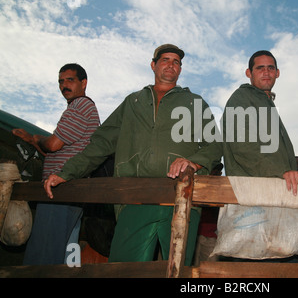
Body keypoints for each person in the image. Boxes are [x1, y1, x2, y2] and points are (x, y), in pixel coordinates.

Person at [44, 44, 222, 266]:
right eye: (165, 60)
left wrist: (194, 162)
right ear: (153, 65)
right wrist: (67, 172)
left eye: (176, 62)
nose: (171, 65)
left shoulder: (194, 103)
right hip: (135, 198)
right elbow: (100, 142)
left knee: (177, 271)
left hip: (181, 197)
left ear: (180, 69)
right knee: (124, 269)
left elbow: (215, 144)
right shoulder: (133, 102)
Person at [12, 63, 100, 265]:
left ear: (84, 83)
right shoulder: (78, 108)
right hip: (70, 192)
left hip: (59, 191)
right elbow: (54, 149)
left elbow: (52, 144)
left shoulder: (81, 105)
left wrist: (35, 138)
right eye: (61, 81)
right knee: (64, 255)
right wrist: (33, 141)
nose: (64, 85)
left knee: (44, 255)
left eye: (70, 80)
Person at [221, 50, 298, 194]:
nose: (266, 72)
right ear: (249, 73)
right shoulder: (242, 97)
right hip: (250, 192)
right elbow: (242, 146)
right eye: (260, 68)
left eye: (270, 68)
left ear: (277, 73)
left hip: (276, 189)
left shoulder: (267, 104)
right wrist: (281, 171)